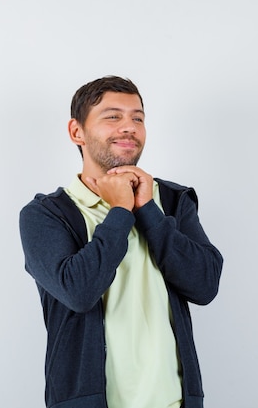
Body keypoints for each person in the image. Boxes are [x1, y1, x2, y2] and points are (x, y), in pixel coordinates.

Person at [19, 76, 223, 408]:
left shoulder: (171, 201)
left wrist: (147, 210)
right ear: (77, 132)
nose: (128, 127)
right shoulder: (46, 215)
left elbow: (205, 285)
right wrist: (119, 210)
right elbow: (78, 291)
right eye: (112, 116)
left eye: (137, 118)